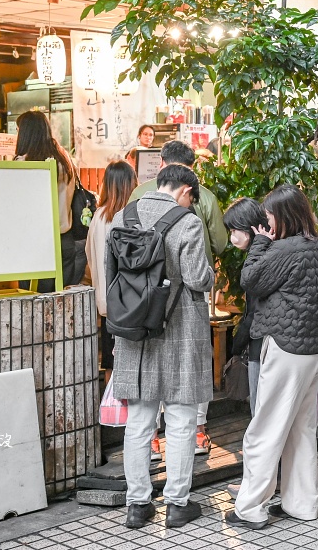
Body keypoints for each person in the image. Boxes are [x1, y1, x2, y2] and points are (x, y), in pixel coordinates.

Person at [225, 185, 318, 530]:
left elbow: (251, 279)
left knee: (266, 428)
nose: (267, 222)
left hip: (287, 348)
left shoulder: (285, 249)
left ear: (284, 216)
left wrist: (259, 243)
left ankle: (250, 508)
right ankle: (301, 503)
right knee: (301, 429)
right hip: (315, 352)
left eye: (271, 216)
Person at [110, 164, 215, 530]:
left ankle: (137, 505)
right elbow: (198, 278)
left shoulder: (124, 216)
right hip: (179, 331)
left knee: (140, 421)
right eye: (192, 197)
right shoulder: (187, 222)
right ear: (185, 190)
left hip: (134, 331)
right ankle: (176, 504)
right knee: (182, 420)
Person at [129, 139, 228, 454]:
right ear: (194, 167)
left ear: (161, 162)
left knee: (153, 361)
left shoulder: (139, 193)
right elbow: (221, 244)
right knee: (192, 363)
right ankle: (198, 432)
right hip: (189, 297)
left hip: (143, 296)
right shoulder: (205, 197)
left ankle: (154, 437)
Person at [14, 109, 81, 290]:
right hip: (65, 240)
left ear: (27, 133)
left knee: (34, 305)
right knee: (60, 303)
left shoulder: (23, 164)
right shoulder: (65, 159)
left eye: (19, 130)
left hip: (35, 243)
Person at [85, 161, 137, 384]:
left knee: (110, 358)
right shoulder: (131, 215)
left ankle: (112, 411)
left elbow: (89, 252)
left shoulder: (99, 216)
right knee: (133, 356)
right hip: (130, 301)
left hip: (106, 301)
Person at [224, 198, 269, 415]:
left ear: (250, 228)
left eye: (235, 230)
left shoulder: (258, 257)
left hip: (261, 346)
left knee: (259, 411)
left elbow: (253, 312)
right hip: (272, 344)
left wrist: (236, 344)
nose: (232, 238)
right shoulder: (270, 249)